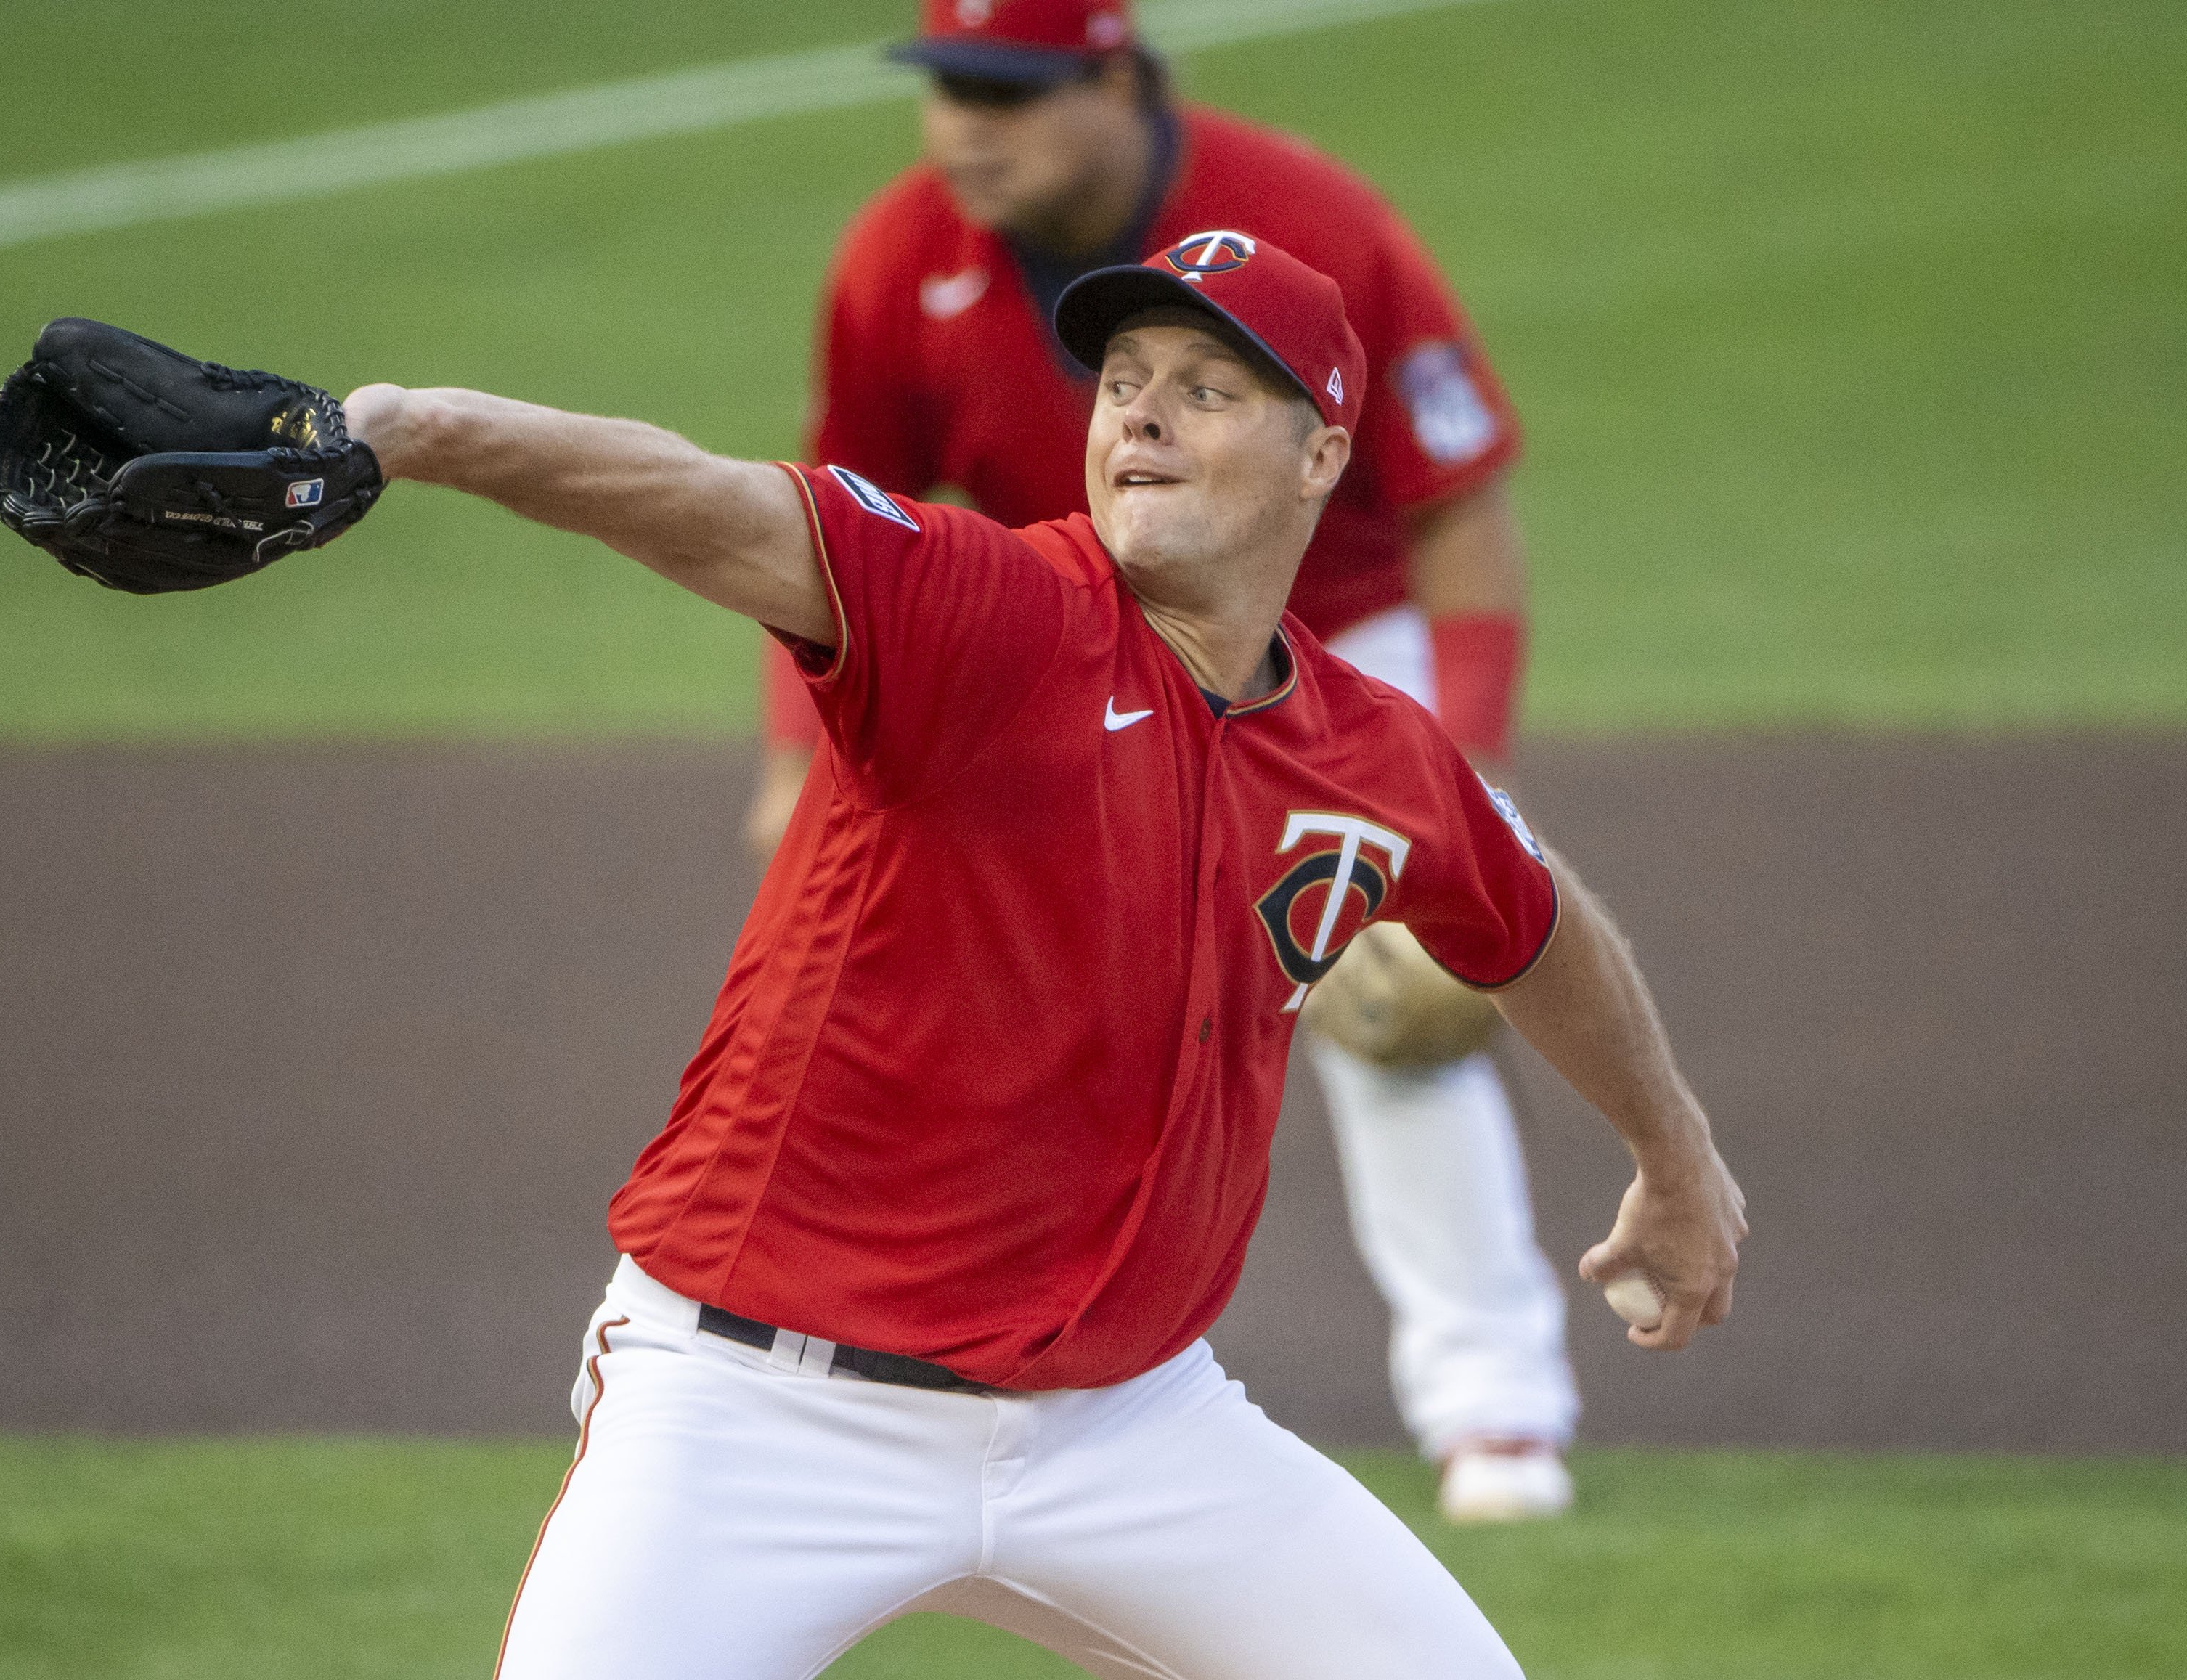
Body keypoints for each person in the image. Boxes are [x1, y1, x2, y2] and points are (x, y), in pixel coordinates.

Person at [340, 230, 1745, 1678]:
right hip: (756, 1408)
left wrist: (1672, 1147)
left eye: (1204, 387)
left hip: (1128, 1428)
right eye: (1120, 379)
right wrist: (411, 431)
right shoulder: (981, 610)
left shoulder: (1371, 753)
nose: (1136, 411)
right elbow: (700, 500)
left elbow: (1534, 914)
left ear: (1321, 456)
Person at [746, 0, 1576, 1520]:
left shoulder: (1305, 222)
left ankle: (1493, 1411)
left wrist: (1457, 774)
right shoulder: (895, 255)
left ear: (1115, 77)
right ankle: (1010, 1362)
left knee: (1384, 998)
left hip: (1335, 636)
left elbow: (1458, 506)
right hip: (1066, 638)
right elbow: (819, 516)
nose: (962, 128)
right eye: (945, 88)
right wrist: (796, 749)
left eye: (1005, 90)